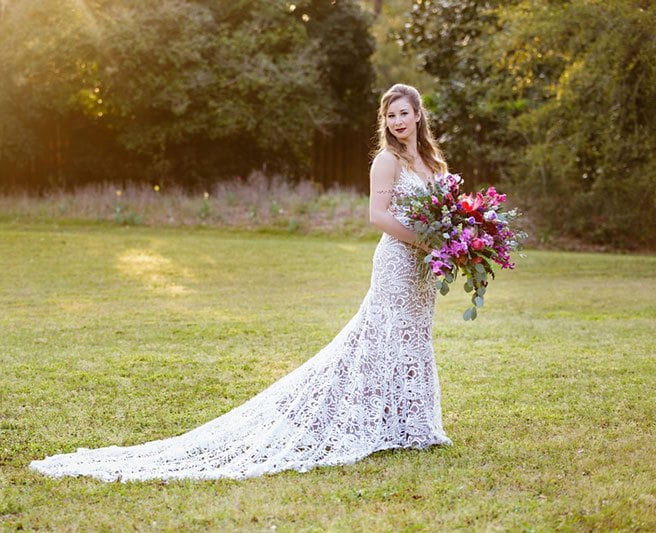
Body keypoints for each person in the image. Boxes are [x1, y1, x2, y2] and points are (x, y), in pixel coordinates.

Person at [29, 83, 452, 482]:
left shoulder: (431, 163)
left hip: (423, 269)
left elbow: (442, 210)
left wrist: (450, 241)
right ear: (386, 120)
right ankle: (378, 423)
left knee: (414, 337)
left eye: (404, 113)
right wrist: (425, 241)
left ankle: (411, 424)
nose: (398, 121)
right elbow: (377, 217)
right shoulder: (387, 162)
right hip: (398, 261)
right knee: (383, 337)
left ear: (418, 115)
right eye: (390, 115)